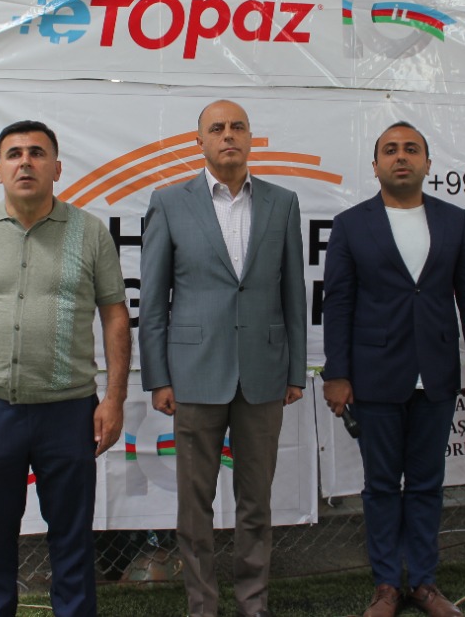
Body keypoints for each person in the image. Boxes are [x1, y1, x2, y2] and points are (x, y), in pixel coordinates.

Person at [0, 119, 131, 617]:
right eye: (15, 154)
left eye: (37, 153)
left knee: (72, 536)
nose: (26, 162)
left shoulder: (89, 233)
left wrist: (114, 399)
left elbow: (114, 317)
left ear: (57, 168)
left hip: (69, 411)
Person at [138, 99, 306, 617]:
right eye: (217, 128)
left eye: (237, 126)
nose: (228, 134)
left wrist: (296, 370)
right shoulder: (169, 202)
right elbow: (153, 300)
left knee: (256, 502)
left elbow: (294, 294)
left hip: (264, 374)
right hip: (193, 375)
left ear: (251, 137)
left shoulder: (282, 203)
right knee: (195, 507)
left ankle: (253, 603)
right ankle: (202, 606)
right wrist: (158, 377)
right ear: (200, 141)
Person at [322, 121, 465, 617]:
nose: (402, 157)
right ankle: (385, 586)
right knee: (380, 486)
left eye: (411, 149)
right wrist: (338, 374)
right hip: (374, 375)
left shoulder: (453, 220)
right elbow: (338, 303)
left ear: (427, 163)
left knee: (426, 485)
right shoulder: (351, 224)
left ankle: (422, 583)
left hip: (437, 374)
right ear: (375, 165)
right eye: (391, 150)